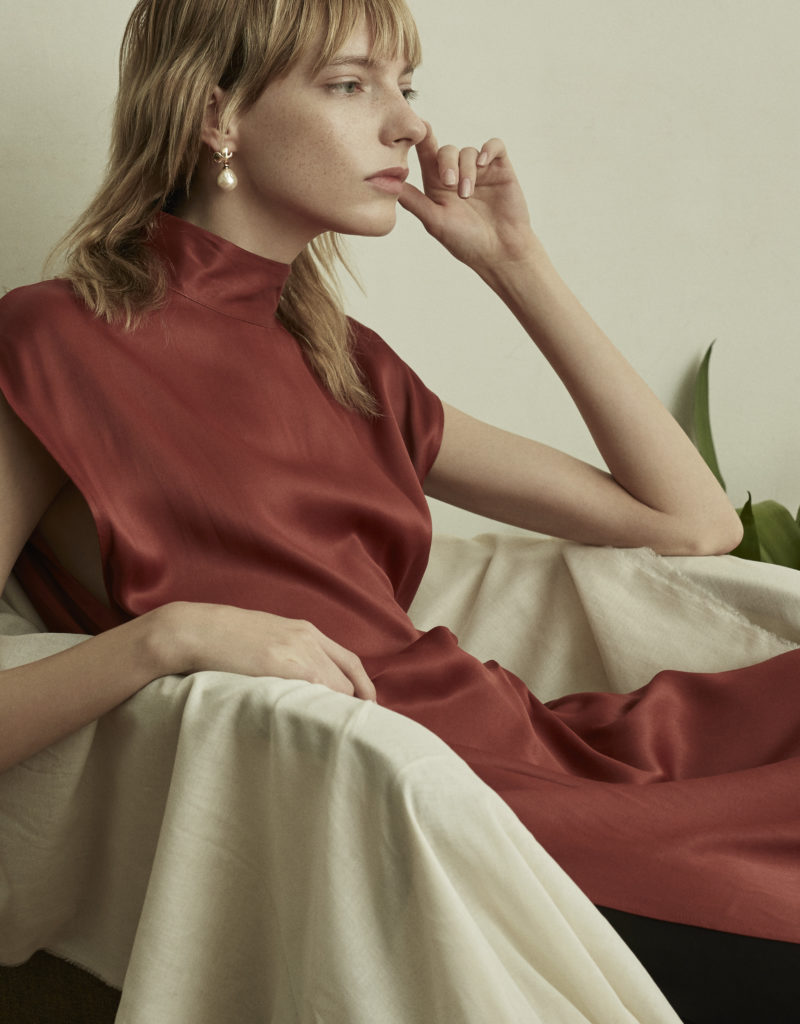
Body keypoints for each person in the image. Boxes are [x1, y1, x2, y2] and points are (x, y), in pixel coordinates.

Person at [0, 0, 798, 1020]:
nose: (410, 124)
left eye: (405, 86)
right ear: (217, 116)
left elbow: (694, 524)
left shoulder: (350, 365)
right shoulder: (52, 341)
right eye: (350, 84)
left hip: (530, 750)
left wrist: (512, 262)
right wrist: (169, 637)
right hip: (432, 807)